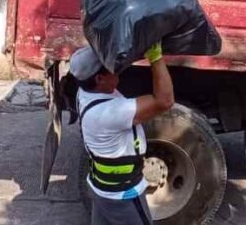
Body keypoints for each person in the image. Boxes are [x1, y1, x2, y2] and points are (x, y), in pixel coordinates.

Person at [69, 43, 175, 225]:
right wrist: (156, 58)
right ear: (100, 79)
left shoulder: (85, 91)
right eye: (113, 68)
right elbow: (165, 101)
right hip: (123, 195)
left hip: (100, 188)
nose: (117, 71)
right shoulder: (109, 112)